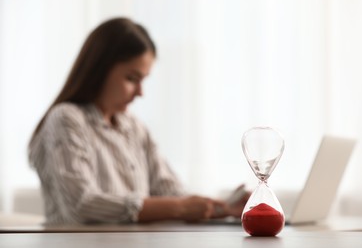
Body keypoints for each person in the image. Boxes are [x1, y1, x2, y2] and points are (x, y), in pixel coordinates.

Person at [28, 17, 247, 224]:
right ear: (99, 69)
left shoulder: (134, 127)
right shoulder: (66, 119)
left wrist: (223, 209)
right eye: (132, 79)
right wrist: (179, 207)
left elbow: (170, 191)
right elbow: (83, 204)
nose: (140, 92)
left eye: (143, 80)